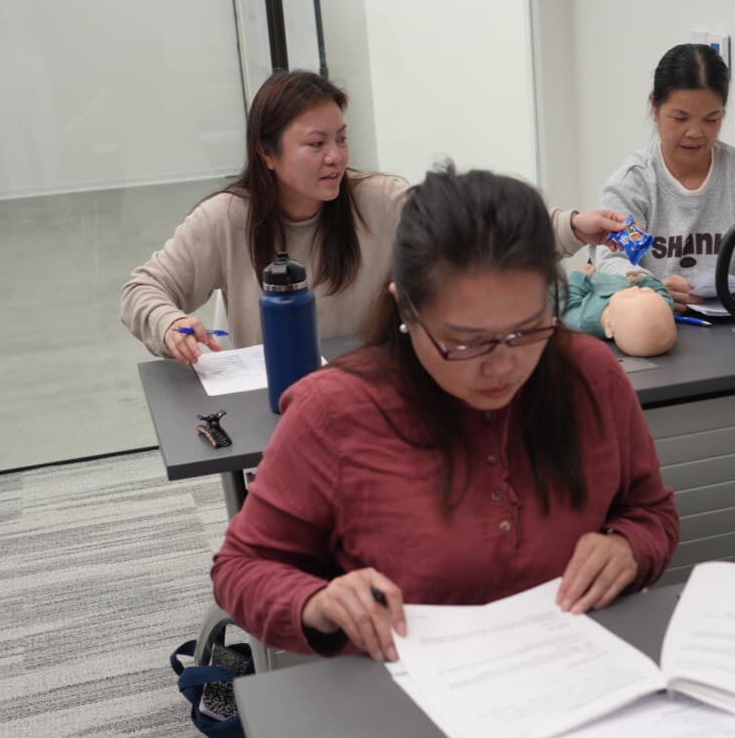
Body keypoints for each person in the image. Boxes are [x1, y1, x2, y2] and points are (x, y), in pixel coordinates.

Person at [210, 166, 680, 661]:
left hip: (577, 669)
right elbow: (241, 567)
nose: (501, 365)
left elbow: (651, 511)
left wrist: (629, 546)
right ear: (405, 309)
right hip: (412, 686)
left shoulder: (590, 375)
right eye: (466, 341)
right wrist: (317, 602)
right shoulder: (333, 412)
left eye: (527, 330)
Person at [122, 70, 626, 362]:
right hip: (279, 406)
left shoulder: (377, 200)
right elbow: (143, 290)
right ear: (267, 153)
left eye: (341, 139)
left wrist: (571, 227)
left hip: (372, 396)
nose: (335, 157)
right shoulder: (227, 219)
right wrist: (170, 324)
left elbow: (472, 221)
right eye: (316, 144)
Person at [596, 44, 735, 311]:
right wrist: (654, 288)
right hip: (657, 323)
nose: (695, 133)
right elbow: (611, 261)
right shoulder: (634, 185)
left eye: (711, 119)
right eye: (680, 118)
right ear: (655, 107)